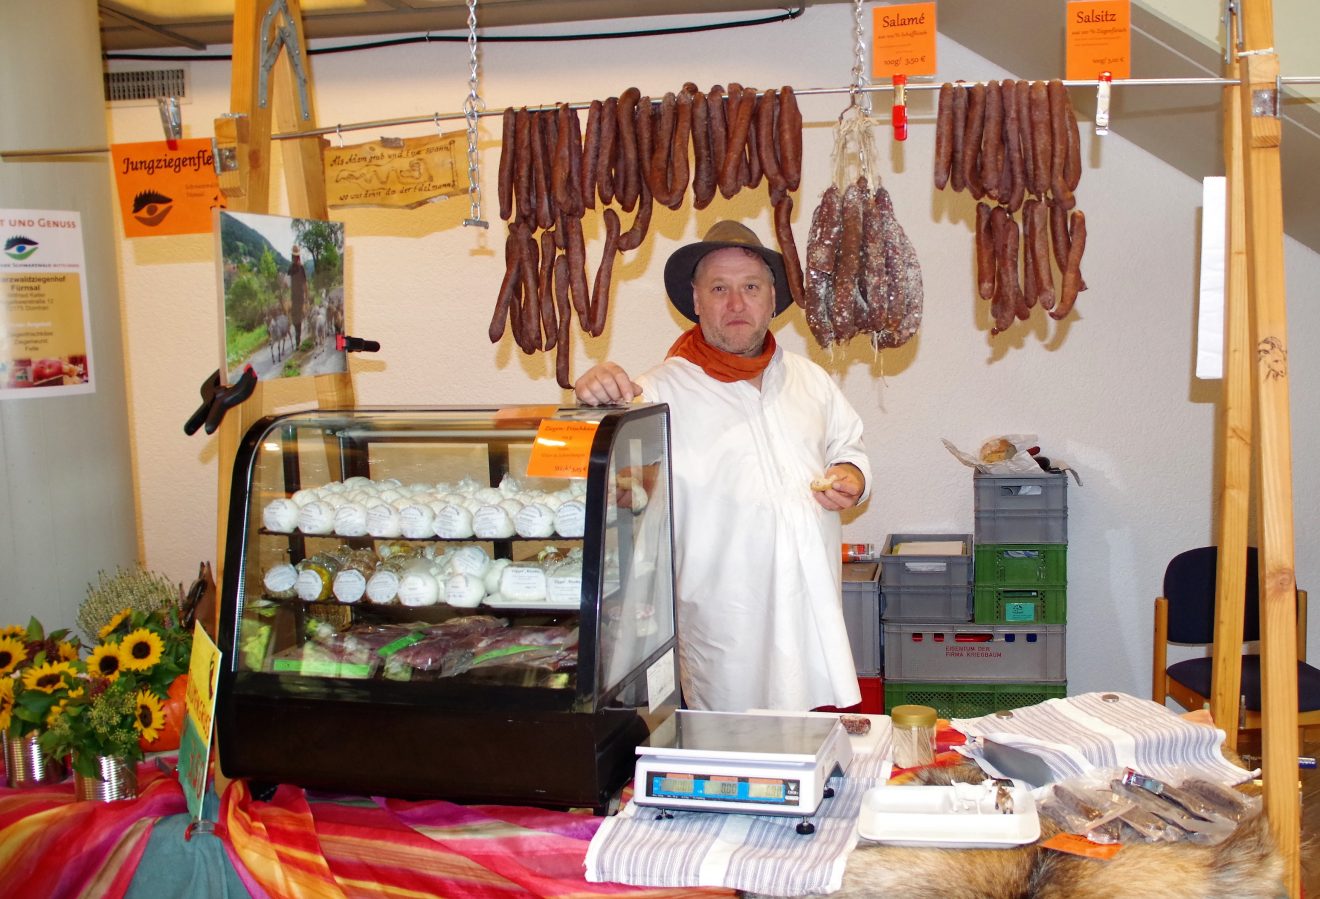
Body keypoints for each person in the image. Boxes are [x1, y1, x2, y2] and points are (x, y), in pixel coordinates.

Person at [575, 220, 871, 712]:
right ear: (696, 301)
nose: (737, 304)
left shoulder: (809, 380)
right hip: (725, 620)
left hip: (809, 606)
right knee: (735, 754)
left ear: (772, 298)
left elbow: (850, 447)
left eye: (750, 287)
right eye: (719, 289)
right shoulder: (657, 392)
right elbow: (603, 470)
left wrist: (852, 478)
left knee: (813, 738)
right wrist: (594, 398)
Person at [288, 245, 307, 346]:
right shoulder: (291, 268)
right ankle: (297, 335)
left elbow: (304, 283)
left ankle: (298, 339)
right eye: (293, 256)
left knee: (298, 317)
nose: (294, 258)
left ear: (298, 257)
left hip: (300, 297)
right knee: (295, 317)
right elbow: (288, 282)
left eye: (296, 256)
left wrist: (306, 296)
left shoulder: (301, 268)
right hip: (293, 297)